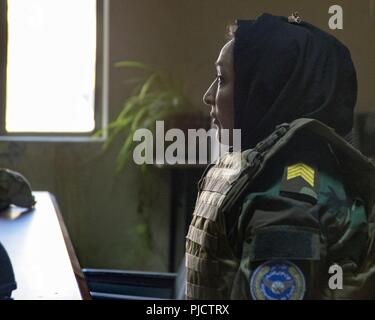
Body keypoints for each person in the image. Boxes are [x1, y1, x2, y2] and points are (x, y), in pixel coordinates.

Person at [185, 12, 375, 300]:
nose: (208, 95)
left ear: (265, 90)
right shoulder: (262, 168)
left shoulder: (286, 198)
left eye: (222, 79)